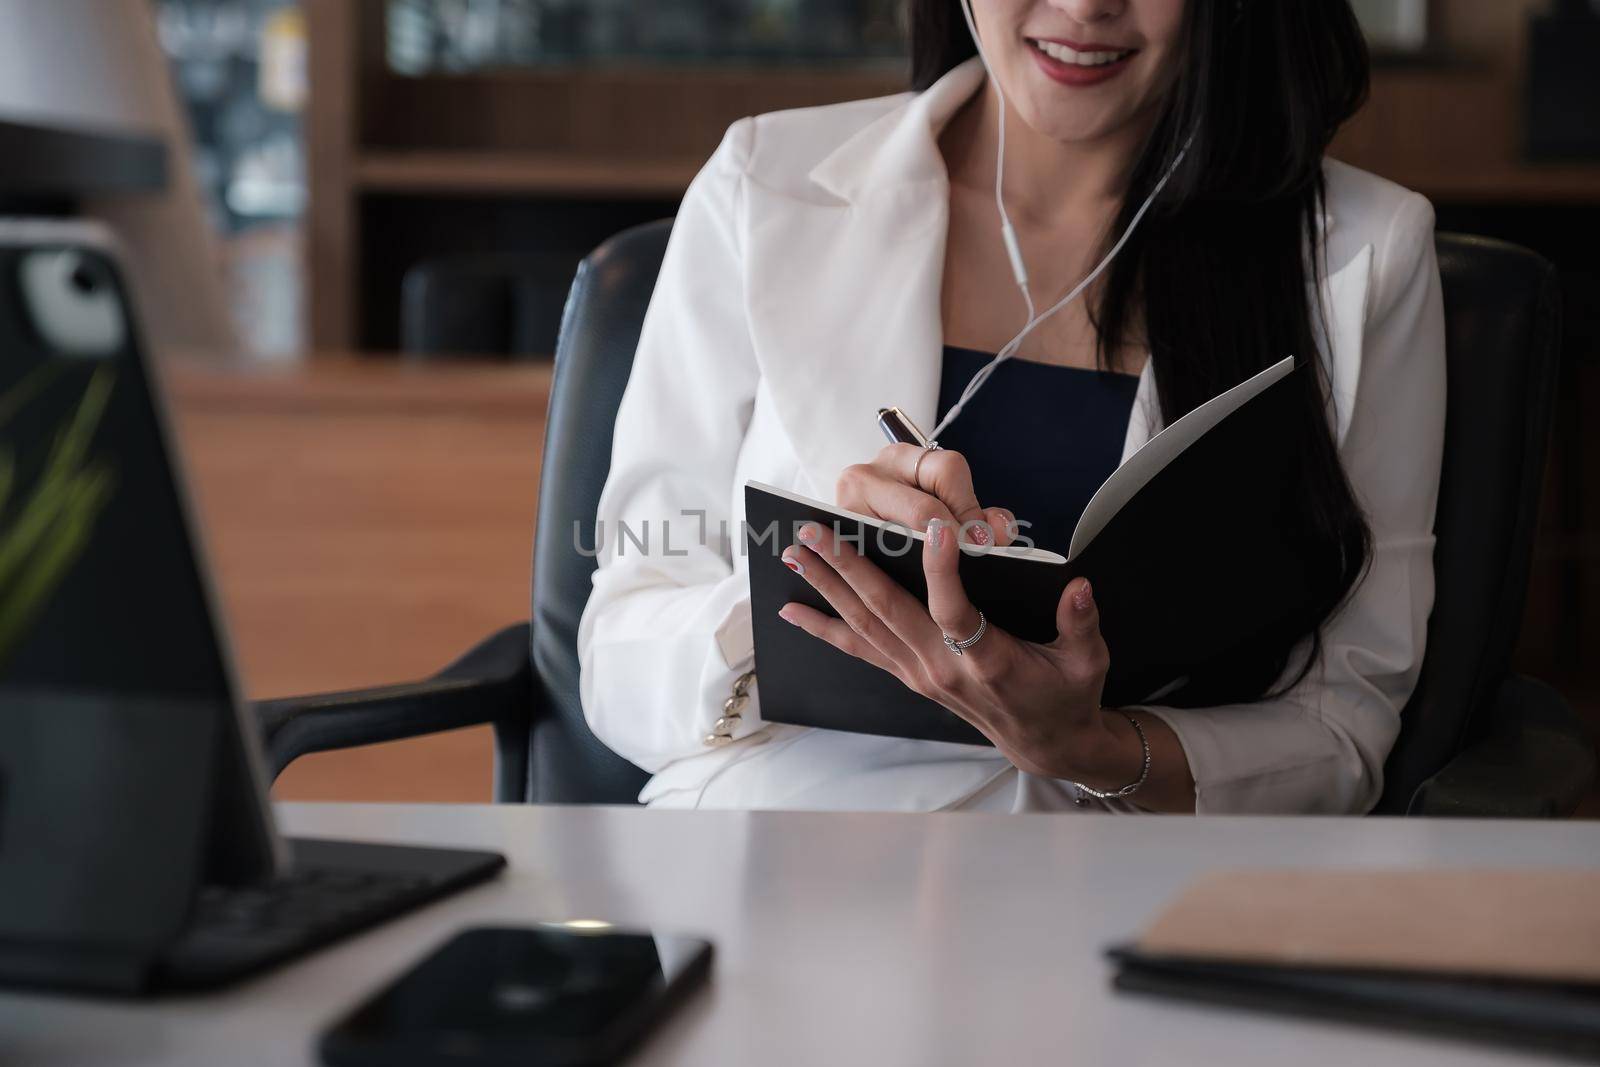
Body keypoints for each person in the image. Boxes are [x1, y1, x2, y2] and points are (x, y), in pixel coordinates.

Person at [576, 0, 1445, 814]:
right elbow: (620, 657)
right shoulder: (762, 185)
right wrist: (794, 587)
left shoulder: (1363, 252)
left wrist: (1097, 748)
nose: (1086, 5)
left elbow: (1347, 721)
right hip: (778, 840)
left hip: (1100, 880)